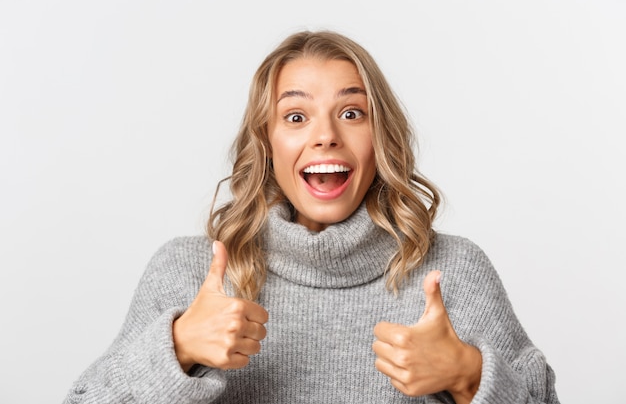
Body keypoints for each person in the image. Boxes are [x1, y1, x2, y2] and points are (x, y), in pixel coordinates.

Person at [64, 31, 559, 404]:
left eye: (351, 113)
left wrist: (469, 376)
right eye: (296, 117)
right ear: (267, 142)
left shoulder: (454, 273)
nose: (325, 136)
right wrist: (175, 349)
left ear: (380, 138)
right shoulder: (187, 274)